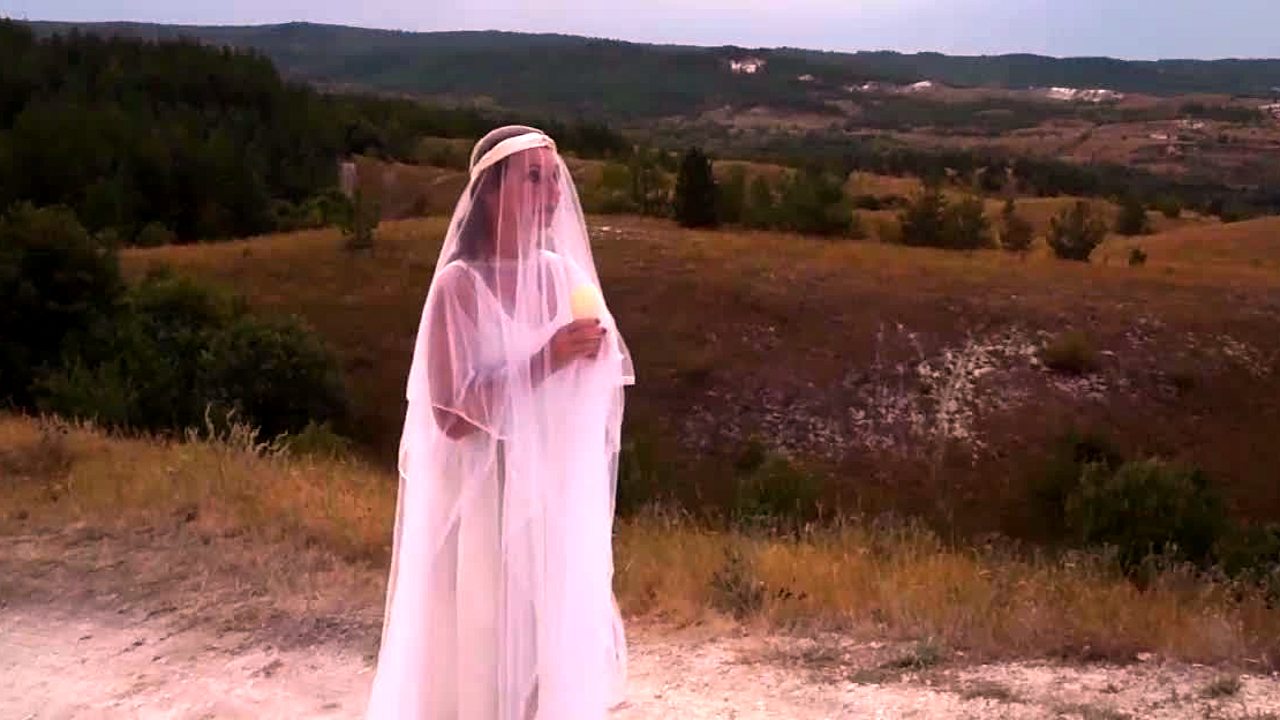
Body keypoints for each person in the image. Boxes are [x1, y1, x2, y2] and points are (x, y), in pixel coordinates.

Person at [364, 126, 634, 720]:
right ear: (489, 193)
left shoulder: (565, 278)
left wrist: (591, 358)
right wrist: (545, 361)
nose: (551, 194)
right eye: (533, 178)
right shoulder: (458, 287)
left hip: (549, 500)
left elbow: (603, 386)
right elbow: (450, 416)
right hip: (481, 504)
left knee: (546, 646)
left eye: (554, 179)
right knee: (483, 648)